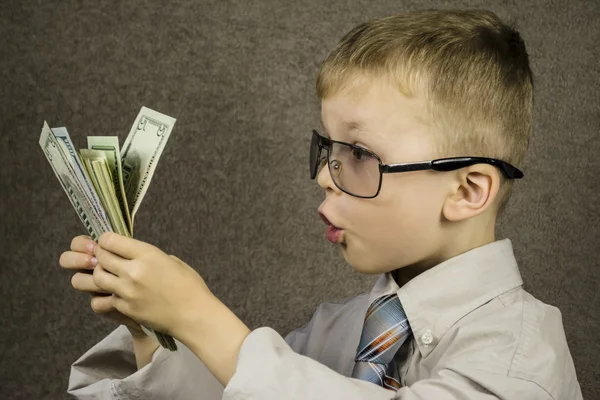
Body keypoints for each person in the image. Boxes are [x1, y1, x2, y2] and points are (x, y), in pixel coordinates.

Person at [60, 9, 582, 400]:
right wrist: (157, 330)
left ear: (467, 191)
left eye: (358, 154)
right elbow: (244, 389)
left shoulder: (521, 354)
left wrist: (198, 316)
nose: (321, 176)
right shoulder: (335, 329)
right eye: (326, 150)